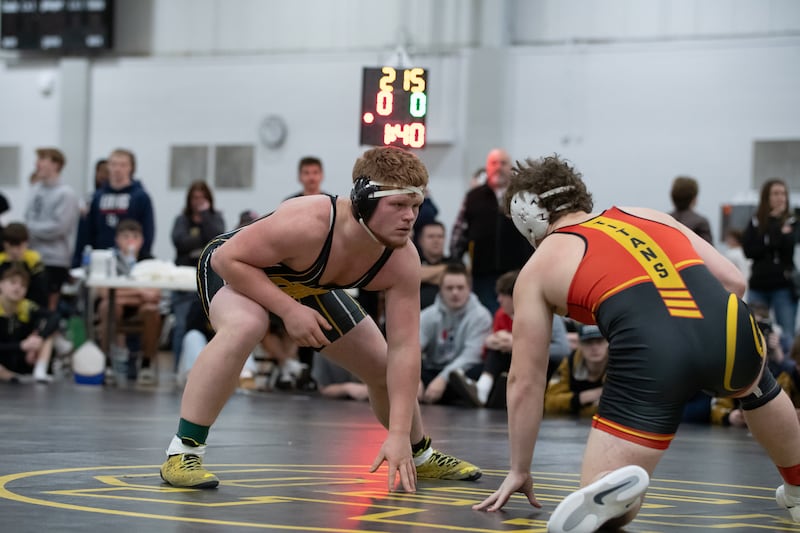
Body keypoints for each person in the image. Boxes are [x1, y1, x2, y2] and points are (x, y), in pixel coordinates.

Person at [473, 154, 800, 530]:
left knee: (599, 505)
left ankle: (615, 496)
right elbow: (734, 282)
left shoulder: (538, 268)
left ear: (525, 217)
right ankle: (797, 489)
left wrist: (520, 468)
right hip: (731, 330)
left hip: (653, 354)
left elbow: (525, 381)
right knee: (759, 387)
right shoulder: (644, 213)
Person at [159, 146, 481, 492]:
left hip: (307, 282)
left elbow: (404, 348)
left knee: (379, 363)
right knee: (248, 324)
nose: (410, 218)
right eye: (398, 205)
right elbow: (226, 260)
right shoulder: (309, 222)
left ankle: (419, 454)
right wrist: (288, 310)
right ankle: (183, 451)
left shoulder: (401, 259)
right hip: (240, 268)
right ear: (363, 201)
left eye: (415, 206)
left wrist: (400, 434)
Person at [448, 269, 570, 408]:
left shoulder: (545, 314)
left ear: (515, 296)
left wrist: (518, 345)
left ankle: (488, 389)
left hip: (544, 367)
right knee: (495, 353)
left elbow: (562, 350)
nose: (498, 299)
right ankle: (485, 388)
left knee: (507, 354)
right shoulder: (504, 314)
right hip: (515, 364)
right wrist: (491, 342)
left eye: (503, 295)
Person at [450, 148, 532, 313]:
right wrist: (456, 262)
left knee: (517, 314)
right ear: (487, 167)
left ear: (511, 167)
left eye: (503, 163)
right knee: (484, 315)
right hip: (482, 273)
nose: (498, 167)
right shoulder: (473, 197)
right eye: (494, 163)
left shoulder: (523, 196)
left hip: (517, 272)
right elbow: (460, 231)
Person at [95, 219, 161, 385]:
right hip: (117, 305)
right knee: (108, 307)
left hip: (141, 307)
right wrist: (139, 291)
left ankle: (146, 363)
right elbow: (104, 292)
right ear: (117, 239)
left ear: (142, 240)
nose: (130, 241)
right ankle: (107, 361)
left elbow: (154, 294)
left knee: (151, 309)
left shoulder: (150, 261)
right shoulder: (109, 260)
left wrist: (121, 292)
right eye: (125, 237)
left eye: (135, 236)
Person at [418, 263, 492, 405]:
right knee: (404, 367)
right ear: (441, 289)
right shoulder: (427, 315)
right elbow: (413, 348)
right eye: (449, 288)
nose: (455, 293)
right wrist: (414, 379)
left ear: (469, 289)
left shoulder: (481, 316)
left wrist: (443, 379)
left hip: (461, 374)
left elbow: (471, 356)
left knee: (478, 371)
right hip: (432, 370)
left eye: (460, 288)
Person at [170, 180, 225, 367]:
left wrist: (205, 217)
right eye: (195, 198)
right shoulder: (181, 220)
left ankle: (210, 367)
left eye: (202, 197)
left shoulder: (215, 218)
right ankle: (179, 365)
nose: (198, 201)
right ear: (189, 199)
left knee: (209, 325)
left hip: (208, 279)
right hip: (184, 279)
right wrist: (202, 239)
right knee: (181, 325)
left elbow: (218, 238)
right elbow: (180, 242)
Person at [742, 178, 798, 354]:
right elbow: (750, 250)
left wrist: (771, 236)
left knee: (786, 334)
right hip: (759, 284)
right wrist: (774, 230)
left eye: (783, 194)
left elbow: (787, 245)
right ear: (767, 197)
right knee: (753, 332)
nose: (780, 197)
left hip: (783, 286)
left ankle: (787, 376)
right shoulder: (756, 221)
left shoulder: (792, 221)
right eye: (775, 193)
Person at [24, 148, 80, 312]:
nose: (37, 164)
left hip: (54, 259)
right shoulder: (35, 190)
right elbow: (28, 217)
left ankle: (50, 335)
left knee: (50, 305)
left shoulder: (66, 194)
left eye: (42, 159)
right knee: (32, 303)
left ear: (56, 165)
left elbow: (59, 227)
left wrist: (29, 230)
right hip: (32, 255)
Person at [77, 148, 156, 258]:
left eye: (123, 165)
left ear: (131, 168)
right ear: (108, 167)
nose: (117, 169)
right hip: (100, 256)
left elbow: (148, 231)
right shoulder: (96, 197)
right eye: (114, 164)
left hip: (131, 257)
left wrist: (142, 255)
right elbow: (85, 232)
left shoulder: (141, 197)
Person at [0, 265, 59, 383]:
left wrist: (38, 337)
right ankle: (9, 376)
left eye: (23, 285)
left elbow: (54, 316)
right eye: (13, 283)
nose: (17, 288)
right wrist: (21, 345)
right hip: (4, 356)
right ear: (1, 284)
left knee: (49, 334)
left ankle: (40, 371)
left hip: (22, 359)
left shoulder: (27, 306)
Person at [543, 325, 608, 417]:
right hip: (571, 426)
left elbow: (621, 405)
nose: (594, 347)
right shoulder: (569, 364)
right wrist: (582, 398)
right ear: (580, 344)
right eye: (588, 342)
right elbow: (550, 402)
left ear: (607, 343)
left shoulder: (618, 365)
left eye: (599, 341)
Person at [0, 222, 49, 308]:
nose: (15, 251)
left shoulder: (34, 261)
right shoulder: (1, 261)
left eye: (19, 247)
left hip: (27, 307)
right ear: (4, 244)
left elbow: (41, 291)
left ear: (26, 243)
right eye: (11, 246)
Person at [417, 221, 455, 309]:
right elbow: (410, 275)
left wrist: (421, 276)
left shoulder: (455, 262)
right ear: (421, 241)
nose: (436, 240)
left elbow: (455, 279)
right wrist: (446, 269)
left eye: (440, 236)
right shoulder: (412, 261)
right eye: (431, 237)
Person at [669, 175, 713, 244]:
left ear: (672, 196)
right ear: (694, 198)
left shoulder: (663, 220)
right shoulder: (701, 222)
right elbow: (709, 252)